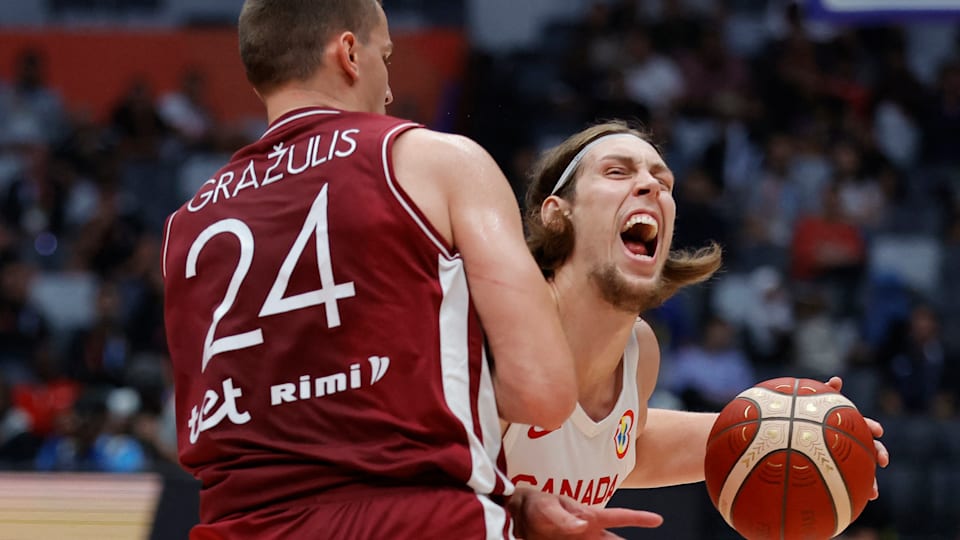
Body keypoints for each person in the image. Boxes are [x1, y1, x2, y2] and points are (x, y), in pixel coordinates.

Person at [160, 1, 657, 538]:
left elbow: (281, 428)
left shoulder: (185, 226)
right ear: (350, 53)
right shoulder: (434, 161)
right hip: (418, 521)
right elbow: (541, 390)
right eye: (386, 56)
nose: (391, 89)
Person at [504, 121, 889, 514]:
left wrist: (792, 430)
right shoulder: (498, 334)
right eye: (617, 172)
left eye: (664, 183)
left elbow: (620, 450)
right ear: (557, 214)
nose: (652, 186)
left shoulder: (639, 351)